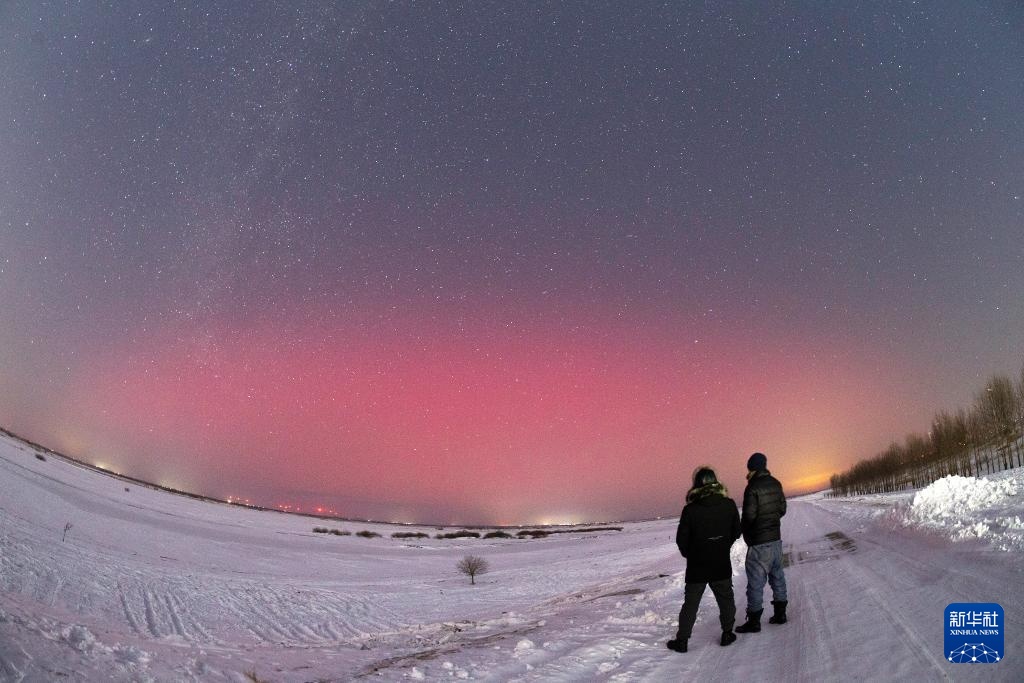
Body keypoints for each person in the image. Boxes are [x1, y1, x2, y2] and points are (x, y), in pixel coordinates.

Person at [666, 466, 741, 653]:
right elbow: (736, 531)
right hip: (720, 563)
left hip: (697, 566)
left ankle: (682, 641)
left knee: (691, 604)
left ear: (696, 485)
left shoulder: (690, 510)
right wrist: (722, 545)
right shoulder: (729, 504)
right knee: (726, 599)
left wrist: (692, 554)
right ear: (716, 482)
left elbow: (681, 540)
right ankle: (727, 633)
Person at [735, 452, 788, 633]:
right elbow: (782, 509)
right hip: (775, 539)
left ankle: (754, 621)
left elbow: (748, 516)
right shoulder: (776, 483)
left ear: (752, 467)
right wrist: (772, 521)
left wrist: (747, 533)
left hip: (759, 542)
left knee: (755, 584)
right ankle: (781, 614)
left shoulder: (752, 487)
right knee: (778, 577)